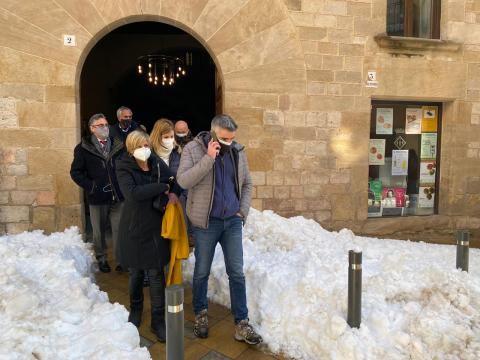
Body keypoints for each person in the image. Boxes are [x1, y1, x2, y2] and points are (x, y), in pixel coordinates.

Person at [176, 114, 262, 345]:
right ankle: (201, 314)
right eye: (224, 138)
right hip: (207, 222)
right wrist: (208, 158)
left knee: (236, 271)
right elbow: (183, 181)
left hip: (232, 221)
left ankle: (241, 323)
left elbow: (247, 183)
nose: (229, 142)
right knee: (202, 270)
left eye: (232, 138)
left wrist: (242, 212)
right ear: (213, 134)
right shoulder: (193, 149)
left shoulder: (237, 150)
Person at [115, 130, 180, 342]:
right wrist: (162, 187)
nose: (144, 149)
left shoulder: (154, 161)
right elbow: (133, 194)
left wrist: (172, 192)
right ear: (131, 148)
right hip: (133, 226)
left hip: (155, 225)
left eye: (146, 145)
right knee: (135, 273)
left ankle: (158, 320)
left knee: (156, 274)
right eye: (140, 146)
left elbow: (174, 180)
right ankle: (135, 311)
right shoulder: (123, 165)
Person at [70, 113, 124, 273]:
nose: (105, 128)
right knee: (98, 231)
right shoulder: (83, 148)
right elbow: (75, 172)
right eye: (101, 125)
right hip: (97, 197)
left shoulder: (118, 144)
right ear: (92, 128)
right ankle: (101, 259)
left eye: (106, 124)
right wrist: (91, 186)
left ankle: (121, 260)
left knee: (119, 229)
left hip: (117, 196)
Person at [150, 119, 194, 244]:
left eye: (171, 136)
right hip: (156, 202)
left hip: (177, 199)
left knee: (176, 237)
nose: (169, 139)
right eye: (166, 136)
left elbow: (182, 176)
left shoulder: (177, 152)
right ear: (158, 136)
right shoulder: (149, 154)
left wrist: (177, 193)